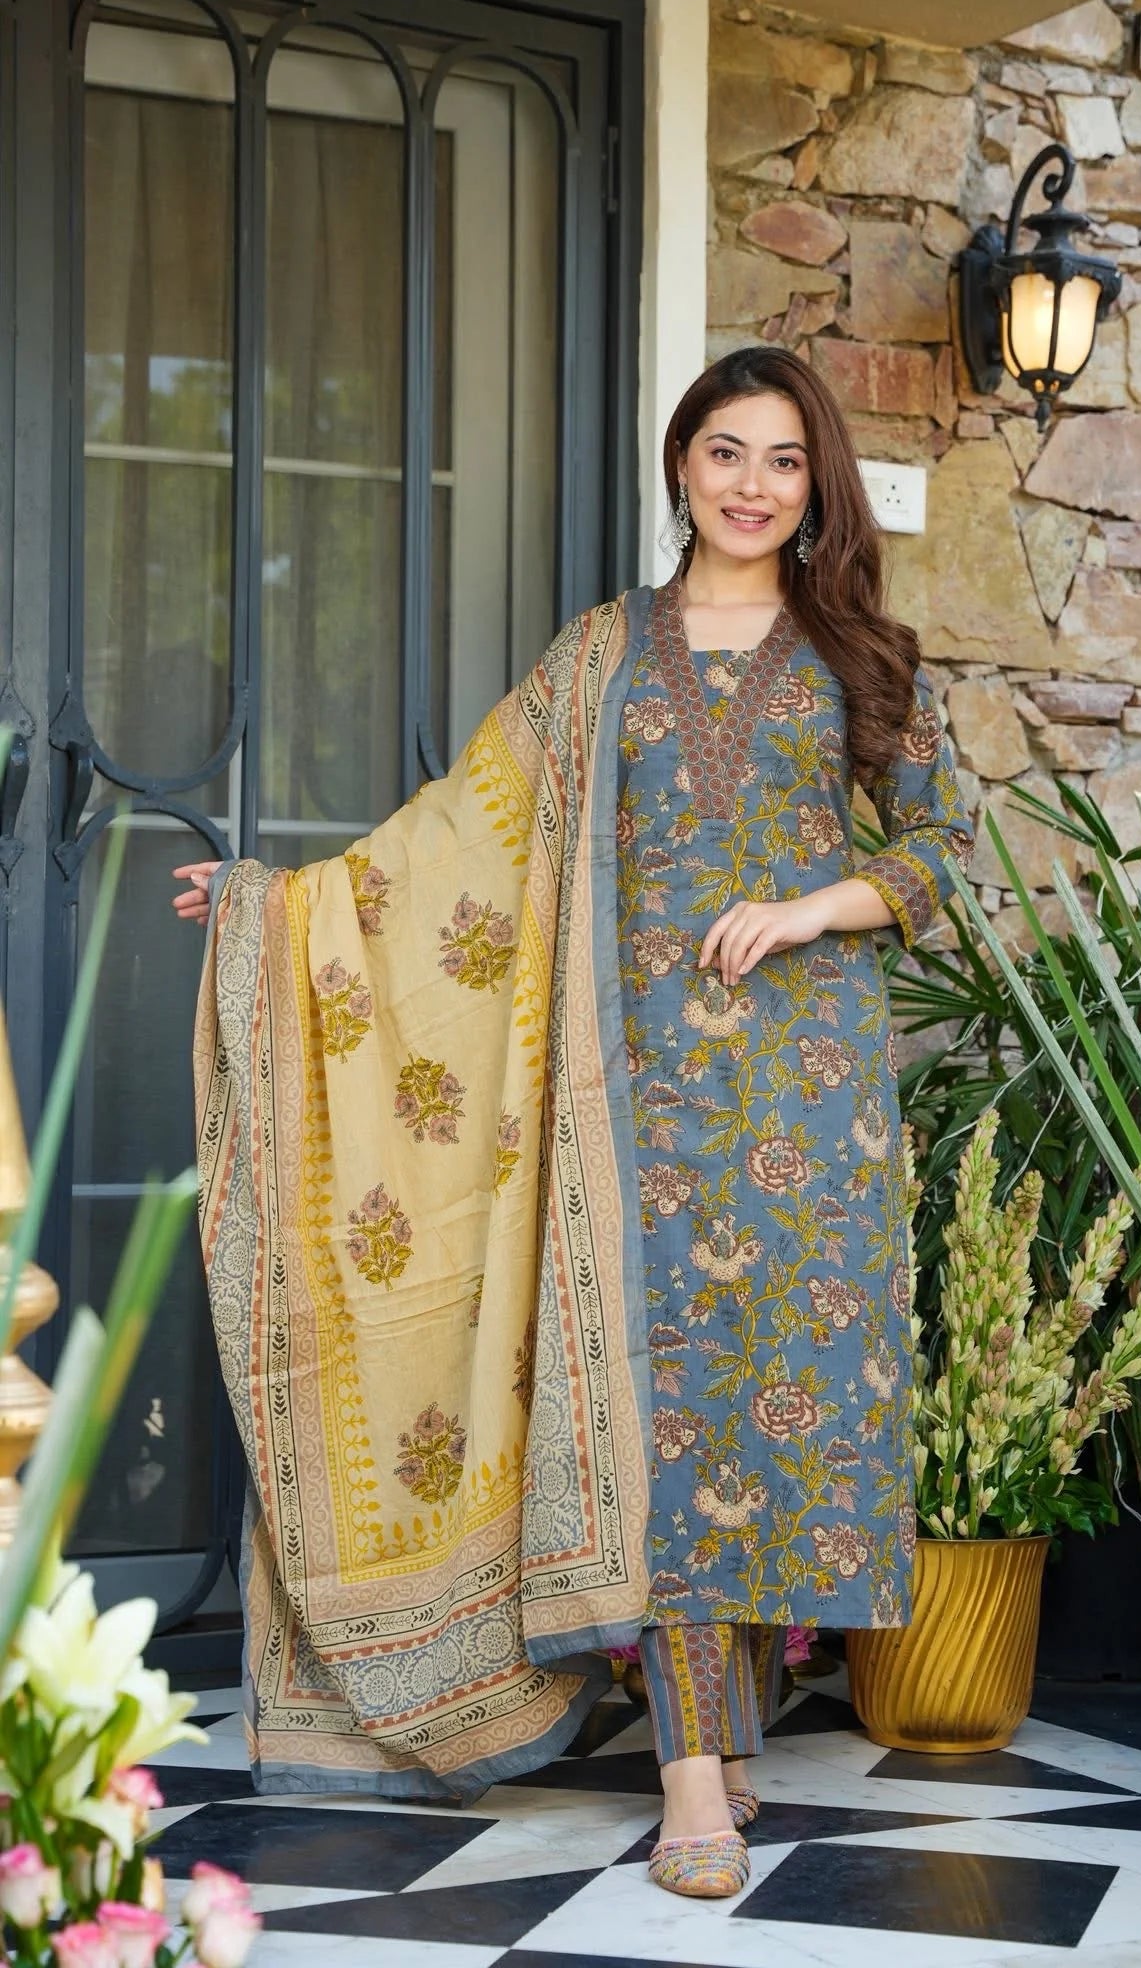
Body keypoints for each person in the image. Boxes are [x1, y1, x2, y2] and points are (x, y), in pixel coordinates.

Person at [173, 346, 972, 1900]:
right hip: (632, 1101)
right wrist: (282, 909)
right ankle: (690, 1774)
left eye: (784, 460)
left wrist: (812, 907)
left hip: (813, 1099)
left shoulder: (863, 655)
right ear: (680, 463)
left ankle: (726, 1717)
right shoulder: (599, 655)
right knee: (656, 1419)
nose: (751, 485)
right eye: (725, 452)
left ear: (817, 485)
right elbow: (455, 841)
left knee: (772, 1406)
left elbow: (938, 851)